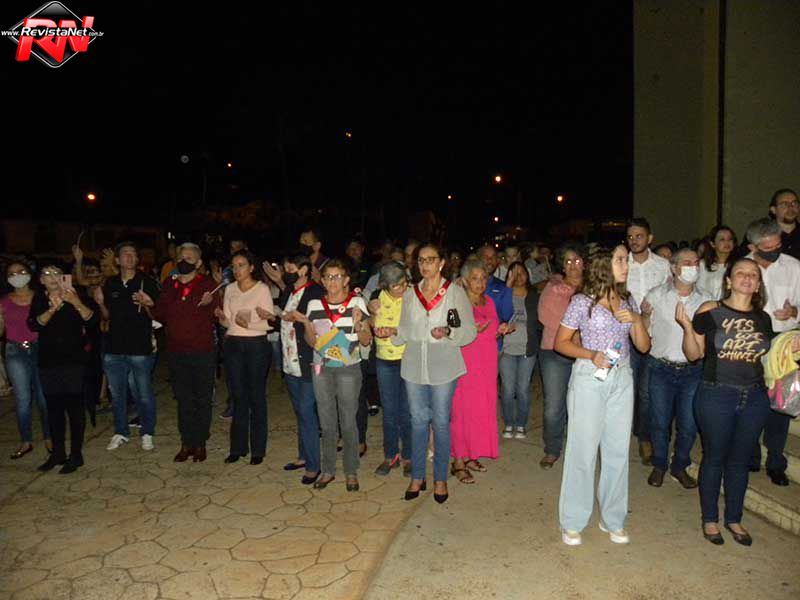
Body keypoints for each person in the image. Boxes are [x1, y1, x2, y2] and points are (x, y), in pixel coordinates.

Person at [682, 257, 791, 545]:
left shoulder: (763, 318)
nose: (747, 277)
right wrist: (687, 328)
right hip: (716, 394)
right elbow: (693, 354)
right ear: (729, 280)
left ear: (758, 284)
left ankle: (734, 518)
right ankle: (710, 519)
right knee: (714, 457)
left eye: (753, 274)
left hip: (754, 397)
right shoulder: (711, 310)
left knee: (740, 462)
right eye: (741, 273)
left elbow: (769, 358)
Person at [555, 244, 650, 546]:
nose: (626, 265)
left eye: (625, 260)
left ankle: (613, 518)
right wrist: (591, 354)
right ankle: (573, 520)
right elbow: (560, 343)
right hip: (589, 377)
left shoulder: (628, 300)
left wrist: (636, 320)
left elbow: (644, 347)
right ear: (603, 265)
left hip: (622, 378)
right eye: (620, 260)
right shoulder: (582, 302)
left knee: (618, 451)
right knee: (582, 451)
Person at [391, 244, 477, 504]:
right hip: (414, 365)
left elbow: (469, 331)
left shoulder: (454, 293)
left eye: (430, 260)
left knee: (440, 421)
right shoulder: (410, 294)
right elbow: (404, 329)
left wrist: (448, 332)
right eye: (421, 260)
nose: (425, 265)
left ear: (441, 263)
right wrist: (389, 333)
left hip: (444, 365)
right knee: (417, 420)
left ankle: (440, 478)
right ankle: (418, 476)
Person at [293, 259, 372, 491]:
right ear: (322, 280)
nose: (332, 281)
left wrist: (360, 325)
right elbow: (311, 342)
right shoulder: (315, 304)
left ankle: (351, 471)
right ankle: (328, 470)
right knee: (326, 422)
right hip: (321, 367)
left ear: (346, 280)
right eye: (328, 277)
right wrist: (306, 324)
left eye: (337, 277)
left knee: (348, 422)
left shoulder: (357, 302)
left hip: (349, 368)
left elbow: (366, 340)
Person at [139, 243, 219, 463]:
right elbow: (160, 314)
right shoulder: (169, 284)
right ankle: (186, 442)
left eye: (190, 258)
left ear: (198, 262)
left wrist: (211, 302)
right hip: (176, 351)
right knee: (183, 399)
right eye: (181, 258)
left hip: (202, 350)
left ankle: (200, 442)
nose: (184, 261)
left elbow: (218, 312)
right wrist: (148, 304)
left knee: (202, 398)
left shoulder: (208, 284)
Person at [641, 248, 710, 489]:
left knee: (688, 424)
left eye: (696, 262)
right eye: (686, 262)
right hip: (661, 368)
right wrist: (644, 316)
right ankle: (659, 464)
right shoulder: (656, 295)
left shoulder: (706, 299)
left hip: (693, 371)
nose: (693, 266)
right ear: (673, 267)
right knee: (660, 422)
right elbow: (643, 333)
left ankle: (679, 466)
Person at [745, 218, 800, 487]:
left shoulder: (794, 267)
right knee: (751, 401)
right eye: (769, 248)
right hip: (750, 341)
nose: (776, 251)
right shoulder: (742, 268)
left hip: (783, 342)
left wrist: (794, 312)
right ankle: (751, 454)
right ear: (753, 247)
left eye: (778, 245)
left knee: (780, 404)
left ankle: (776, 461)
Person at [29, 263, 98, 474]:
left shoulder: (76, 295)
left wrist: (75, 302)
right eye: (47, 274)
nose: (52, 277)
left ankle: (76, 454)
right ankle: (57, 453)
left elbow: (92, 320)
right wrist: (52, 308)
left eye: (56, 273)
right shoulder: (39, 299)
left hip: (73, 361)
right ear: (41, 280)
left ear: (64, 277)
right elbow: (34, 325)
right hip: (48, 361)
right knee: (54, 409)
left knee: (75, 408)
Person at [95, 242, 160, 452]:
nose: (130, 257)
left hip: (139, 347)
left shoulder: (146, 282)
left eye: (133, 254)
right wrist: (100, 303)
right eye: (125, 254)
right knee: (117, 394)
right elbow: (107, 316)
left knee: (143, 393)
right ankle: (121, 431)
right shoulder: (110, 283)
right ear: (117, 259)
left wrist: (148, 303)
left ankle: (147, 432)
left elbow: (157, 316)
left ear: (137, 259)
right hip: (114, 347)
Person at [449, 259, 510, 484]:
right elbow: (450, 330)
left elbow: (492, 328)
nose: (480, 282)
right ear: (465, 281)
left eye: (483, 278)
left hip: (487, 364)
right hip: (465, 364)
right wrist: (468, 329)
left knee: (481, 410)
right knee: (462, 412)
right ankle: (458, 461)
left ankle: (472, 454)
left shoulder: (490, 301)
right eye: (475, 278)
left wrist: (501, 329)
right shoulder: (456, 302)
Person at [214, 250, 274, 465]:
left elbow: (270, 323)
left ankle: (258, 449)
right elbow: (228, 322)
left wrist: (249, 325)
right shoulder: (230, 289)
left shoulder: (262, 289)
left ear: (251, 267)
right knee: (238, 396)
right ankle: (237, 448)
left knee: (256, 396)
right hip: (233, 344)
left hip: (256, 344)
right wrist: (222, 317)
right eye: (234, 266)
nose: (237, 270)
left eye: (241, 265)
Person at [625, 217, 671, 466]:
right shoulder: (621, 264)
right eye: (630, 237)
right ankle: (626, 431)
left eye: (639, 236)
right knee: (626, 388)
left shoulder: (663, 266)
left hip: (655, 336)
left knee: (646, 391)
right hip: (625, 336)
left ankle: (645, 438)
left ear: (650, 238)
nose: (634, 241)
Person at [276, 252, 323, 485]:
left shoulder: (315, 292)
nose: (287, 272)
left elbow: (321, 323)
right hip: (290, 359)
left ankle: (314, 465)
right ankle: (304, 456)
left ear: (304, 269)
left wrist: (300, 319)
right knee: (300, 412)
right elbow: (283, 318)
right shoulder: (288, 291)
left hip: (308, 360)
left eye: (290, 268)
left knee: (306, 411)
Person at [537, 243, 583, 469]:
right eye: (568, 261)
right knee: (554, 406)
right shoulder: (554, 287)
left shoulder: (593, 287)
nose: (573, 265)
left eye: (577, 260)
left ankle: (580, 448)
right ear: (562, 266)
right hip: (554, 352)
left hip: (585, 354)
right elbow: (545, 316)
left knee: (582, 405)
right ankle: (552, 448)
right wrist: (573, 335)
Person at [1, 262, 51, 459]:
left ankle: (49, 437)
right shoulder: (4, 302)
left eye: (21, 271)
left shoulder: (41, 297)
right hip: (15, 351)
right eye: (11, 273)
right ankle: (26, 440)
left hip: (40, 348)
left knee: (44, 397)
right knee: (23, 399)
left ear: (30, 274)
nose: (17, 275)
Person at [371, 261, 412, 477]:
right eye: (397, 285)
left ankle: (409, 456)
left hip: (408, 359)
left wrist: (394, 330)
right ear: (385, 285)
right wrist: (371, 317)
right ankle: (391, 455)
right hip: (385, 360)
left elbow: (417, 325)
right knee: (389, 411)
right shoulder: (376, 297)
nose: (402, 288)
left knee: (407, 411)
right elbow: (368, 320)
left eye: (405, 283)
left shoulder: (412, 296)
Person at [499, 261, 539, 440]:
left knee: (522, 389)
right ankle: (509, 422)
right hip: (506, 349)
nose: (519, 277)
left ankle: (521, 424)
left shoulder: (533, 296)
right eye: (515, 273)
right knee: (507, 389)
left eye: (522, 272)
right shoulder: (504, 295)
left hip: (526, 350)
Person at [476, 245, 514, 348]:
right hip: (470, 346)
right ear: (478, 259)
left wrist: (508, 288)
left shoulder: (502, 286)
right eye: (486, 257)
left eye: (493, 257)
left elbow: (506, 316)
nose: (490, 260)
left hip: (494, 346)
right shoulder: (466, 284)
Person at [698, 225, 737, 300]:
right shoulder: (703, 264)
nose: (727, 242)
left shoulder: (739, 264)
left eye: (730, 239)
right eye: (722, 239)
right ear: (712, 244)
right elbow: (699, 289)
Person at [769, 188, 800, 259]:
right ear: (773, 210)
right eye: (784, 204)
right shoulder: (760, 233)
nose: (790, 207)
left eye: (794, 203)